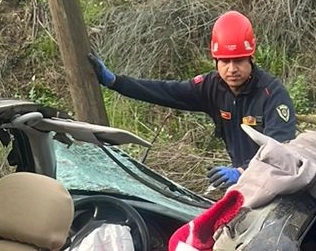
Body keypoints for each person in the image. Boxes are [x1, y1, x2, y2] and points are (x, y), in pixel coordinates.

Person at [87, 11, 296, 190]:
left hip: (275, 182)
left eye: (239, 60)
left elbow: (281, 150)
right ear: (215, 60)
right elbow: (164, 91)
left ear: (251, 57)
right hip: (243, 183)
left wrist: (243, 171)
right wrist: (116, 82)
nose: (232, 69)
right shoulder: (211, 86)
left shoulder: (273, 94)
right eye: (225, 61)